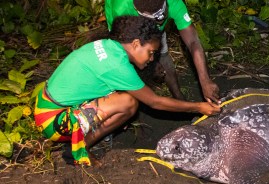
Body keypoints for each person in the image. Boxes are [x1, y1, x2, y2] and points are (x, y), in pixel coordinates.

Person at [34, 16, 221, 166]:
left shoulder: (107, 46)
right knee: (128, 103)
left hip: (46, 105)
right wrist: (198, 107)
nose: (151, 58)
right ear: (136, 43)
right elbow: (154, 101)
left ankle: (83, 136)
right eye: (151, 52)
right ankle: (78, 149)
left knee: (121, 96)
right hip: (53, 121)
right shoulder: (117, 65)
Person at [104, 0, 220, 102]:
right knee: (127, 61)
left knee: (163, 55)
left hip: (148, 15)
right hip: (127, 19)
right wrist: (149, 61)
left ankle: (178, 97)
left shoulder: (173, 1)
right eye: (155, 19)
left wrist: (205, 80)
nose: (160, 20)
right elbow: (125, 47)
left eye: (163, 15)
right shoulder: (121, 9)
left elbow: (193, 42)